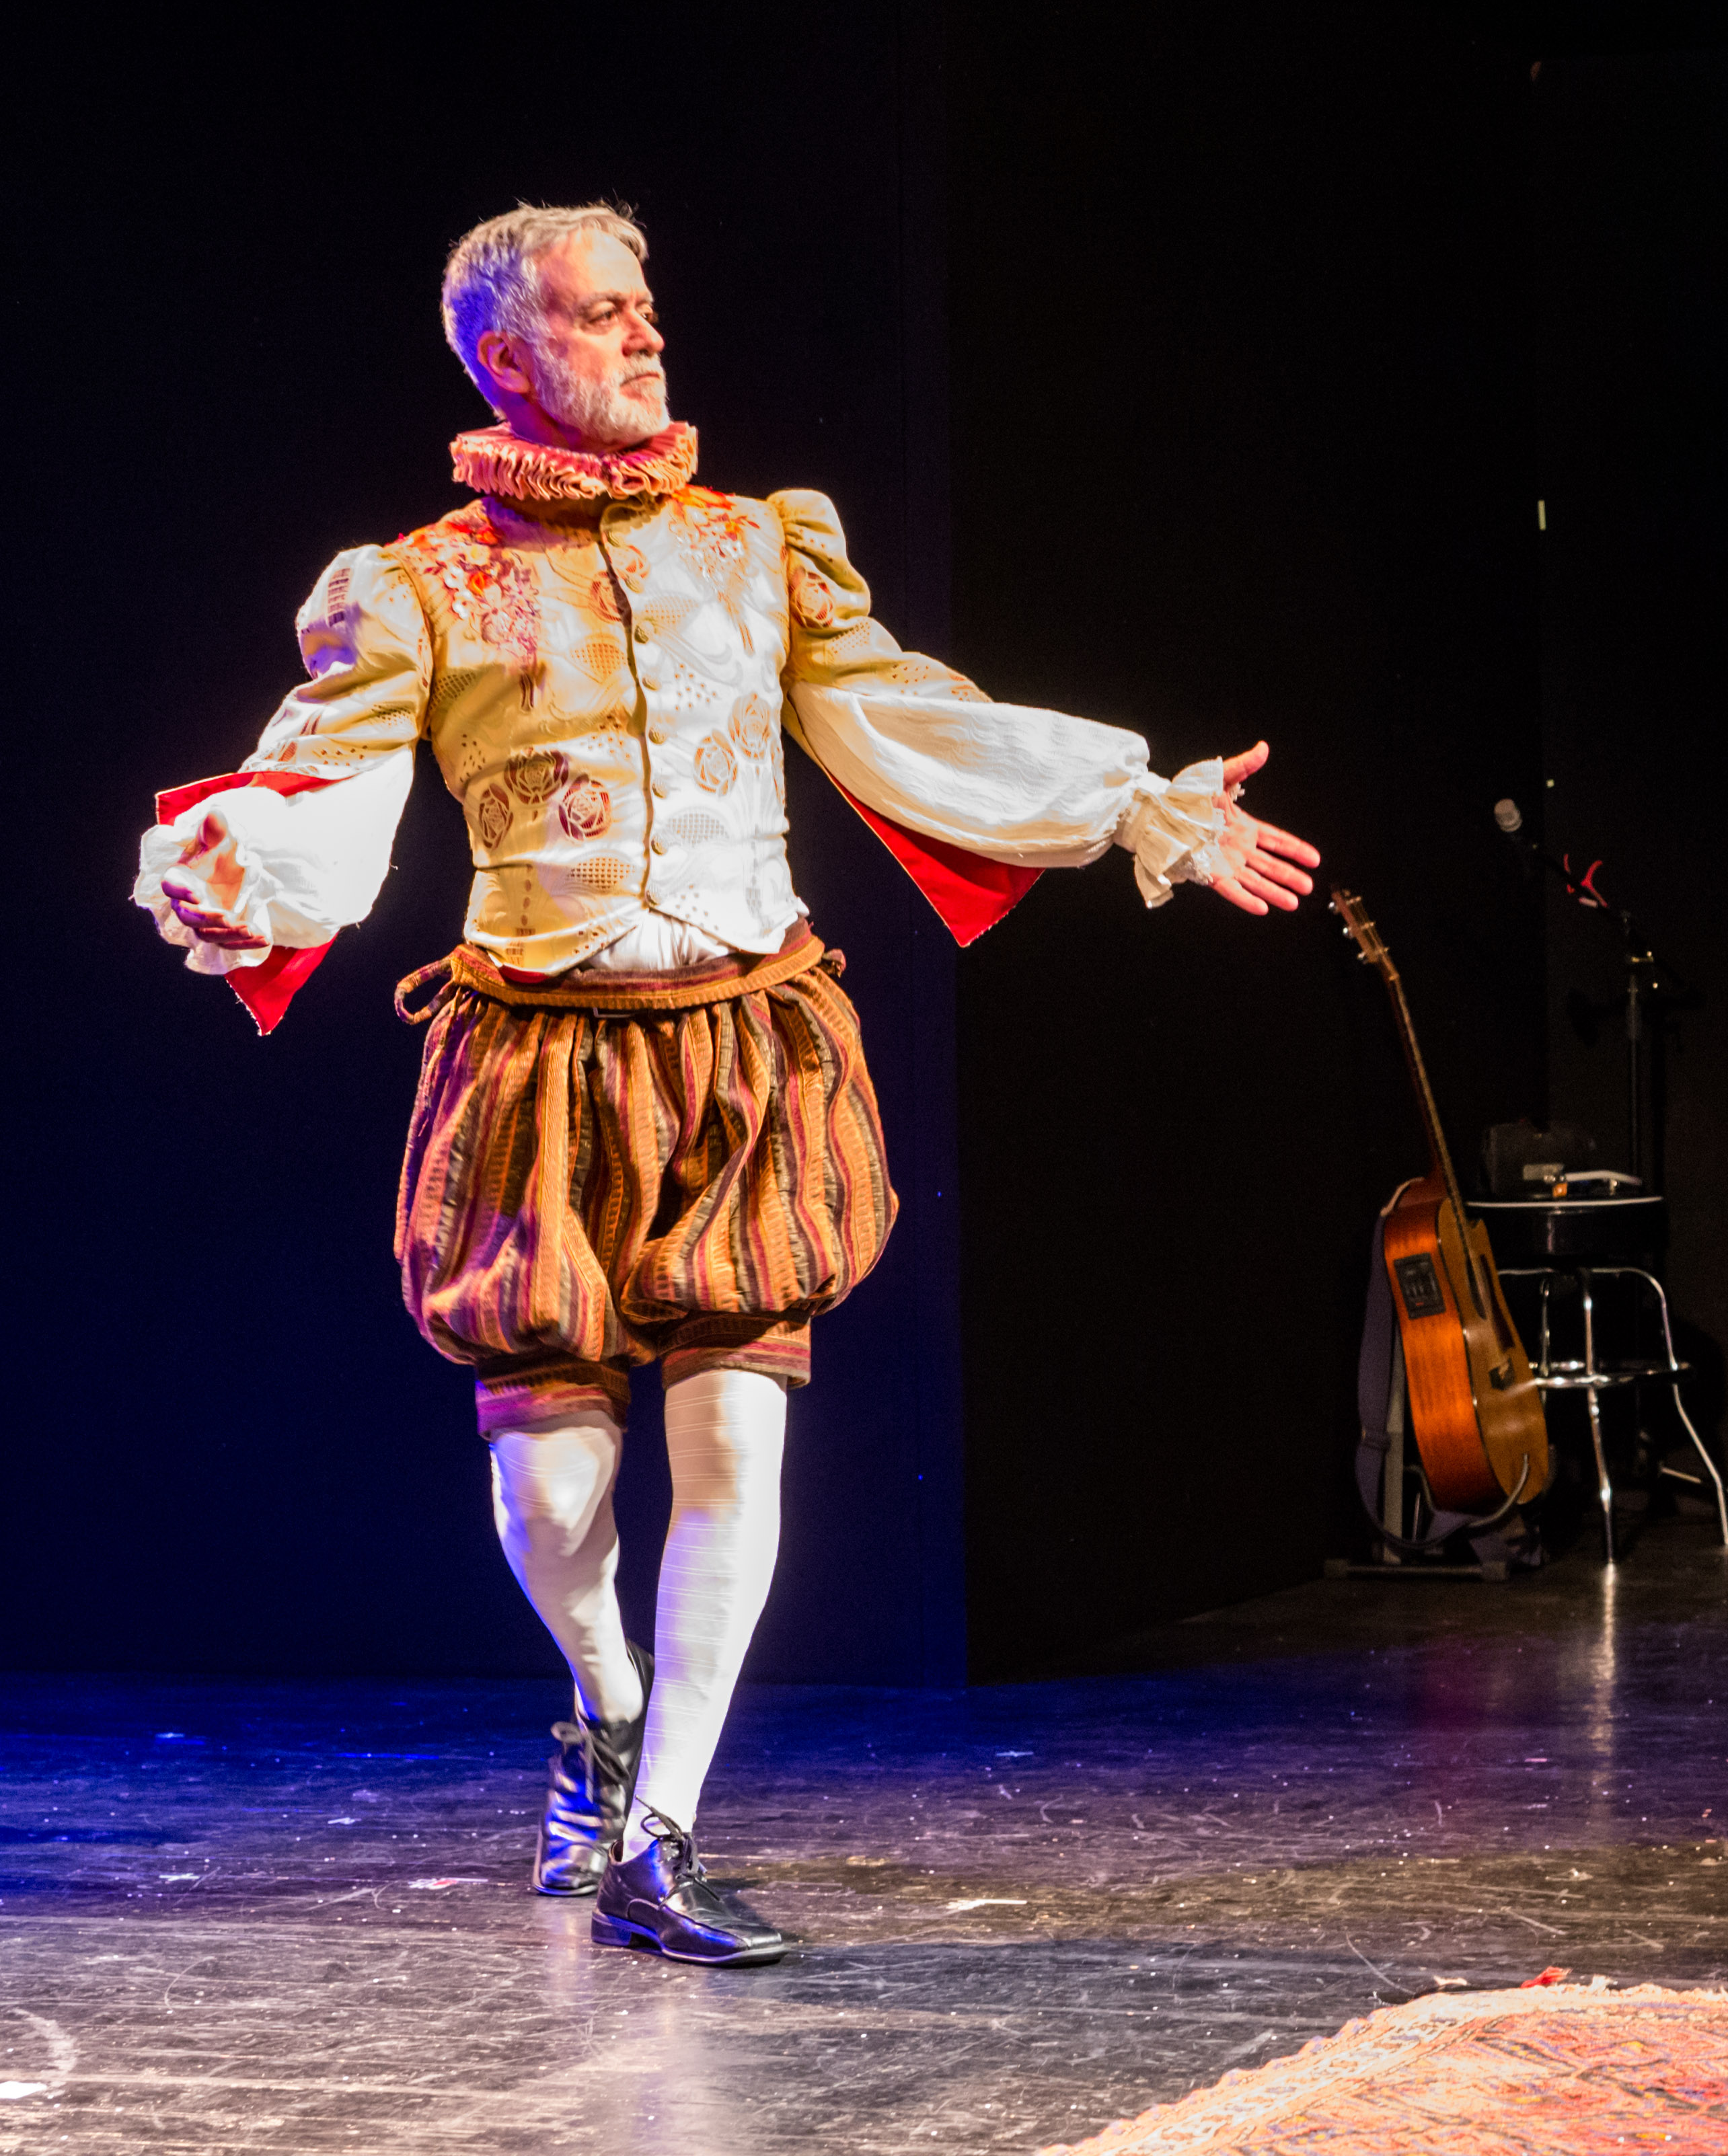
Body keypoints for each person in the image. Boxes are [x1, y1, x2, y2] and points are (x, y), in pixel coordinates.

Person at [135, 201, 1320, 1966]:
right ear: (507, 355)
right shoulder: (417, 585)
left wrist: (1134, 802)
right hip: (539, 1053)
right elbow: (328, 789)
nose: (647, 335)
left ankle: (659, 1838)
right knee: (554, 1497)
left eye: (648, 307)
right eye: (602, 315)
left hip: (748, 1041)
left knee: (732, 1443)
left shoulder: (762, 545)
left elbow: (905, 718)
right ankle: (605, 1711)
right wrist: (243, 864)